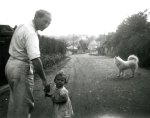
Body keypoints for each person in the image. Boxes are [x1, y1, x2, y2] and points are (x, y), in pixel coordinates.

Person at [5, 9, 51, 118]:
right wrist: (44, 80)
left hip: (11, 65)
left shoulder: (22, 26)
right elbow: (35, 59)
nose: (47, 25)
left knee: (15, 102)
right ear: (36, 17)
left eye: (49, 23)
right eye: (45, 21)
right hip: (21, 69)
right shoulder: (31, 33)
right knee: (24, 106)